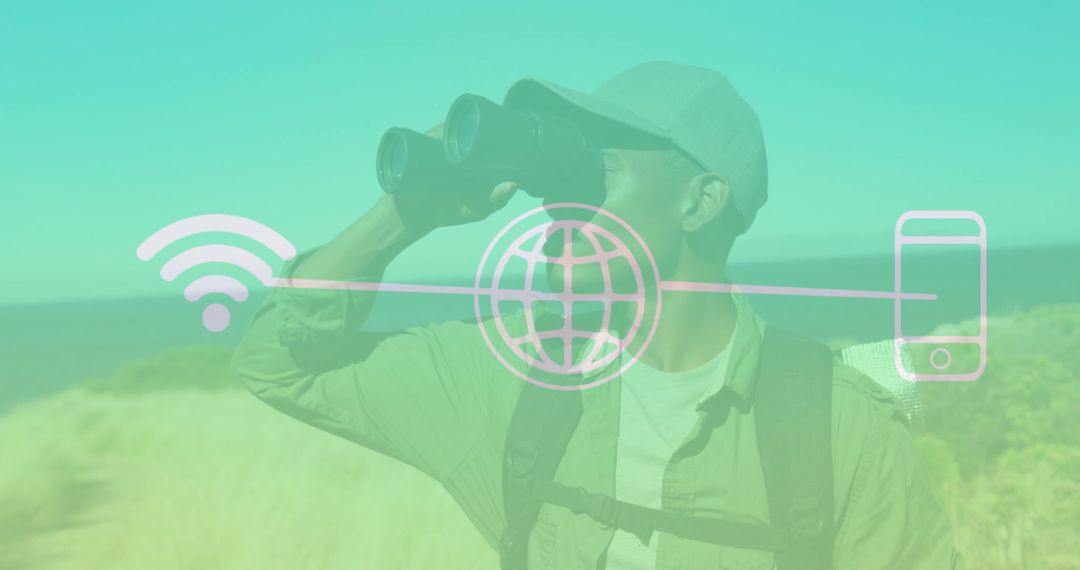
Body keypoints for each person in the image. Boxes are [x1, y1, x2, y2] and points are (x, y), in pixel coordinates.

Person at [233, 62, 963, 569]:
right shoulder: (510, 375)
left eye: (594, 172)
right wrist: (404, 214)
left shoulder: (838, 425)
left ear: (701, 202)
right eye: (559, 177)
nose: (559, 199)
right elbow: (279, 366)